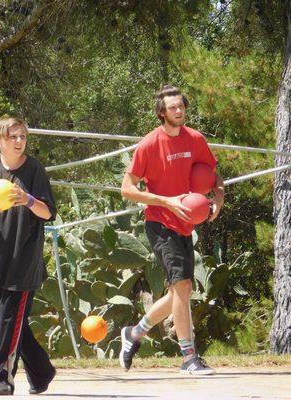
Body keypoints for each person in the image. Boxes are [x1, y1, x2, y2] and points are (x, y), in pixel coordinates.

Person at [119, 85, 225, 375]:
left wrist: (218, 199)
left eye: (181, 106)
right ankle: (189, 357)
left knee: (180, 293)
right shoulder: (150, 144)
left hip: (185, 223)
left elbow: (214, 174)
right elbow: (127, 189)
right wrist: (165, 201)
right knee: (183, 287)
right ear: (161, 112)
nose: (178, 111)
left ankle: (133, 334)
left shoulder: (195, 139)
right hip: (160, 222)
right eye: (172, 107)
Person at [0, 117, 57, 396]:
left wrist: (28, 200)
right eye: (13, 137)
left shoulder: (34, 169)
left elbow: (48, 212)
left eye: (23, 137)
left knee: (8, 320)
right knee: (12, 321)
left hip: (24, 259)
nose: (19, 142)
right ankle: (42, 370)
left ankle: (1, 378)